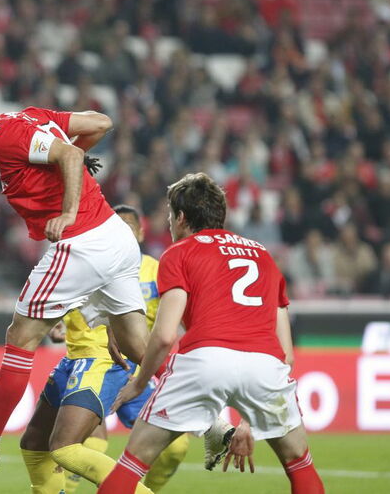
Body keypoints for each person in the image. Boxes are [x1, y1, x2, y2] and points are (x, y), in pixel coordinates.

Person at [0, 96, 149, 469]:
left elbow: (71, 156)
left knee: (20, 335)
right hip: (114, 238)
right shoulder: (27, 120)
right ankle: (215, 421)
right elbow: (99, 123)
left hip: (83, 239)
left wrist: (68, 200)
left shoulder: (7, 133)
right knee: (141, 349)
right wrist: (62, 158)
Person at [98, 173, 324, 494]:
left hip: (204, 359)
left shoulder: (178, 252)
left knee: (133, 462)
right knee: (300, 464)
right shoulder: (264, 256)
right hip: (266, 366)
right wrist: (249, 420)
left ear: (180, 217)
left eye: (169, 214)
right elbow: (286, 352)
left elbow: (164, 336)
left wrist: (138, 384)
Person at [18, 204, 193, 494]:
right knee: (36, 442)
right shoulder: (91, 259)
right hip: (79, 359)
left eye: (128, 227)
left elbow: (173, 319)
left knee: (172, 446)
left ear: (139, 232)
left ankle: (140, 489)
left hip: (123, 364)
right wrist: (57, 324)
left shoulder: (156, 271)